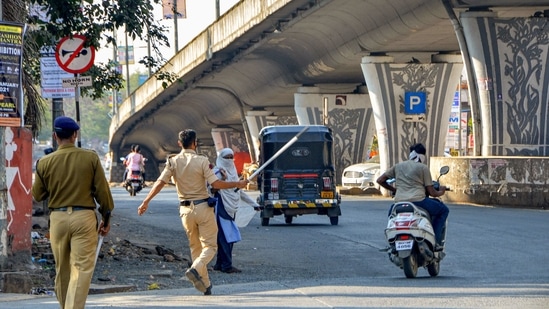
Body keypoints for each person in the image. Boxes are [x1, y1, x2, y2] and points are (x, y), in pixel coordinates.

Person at [137, 129, 248, 295]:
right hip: (203, 207)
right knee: (210, 246)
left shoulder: (173, 161)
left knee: (195, 247)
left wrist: (146, 201)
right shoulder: (202, 161)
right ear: (195, 142)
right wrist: (237, 184)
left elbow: (160, 182)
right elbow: (216, 184)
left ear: (179, 143)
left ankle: (205, 285)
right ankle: (196, 267)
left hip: (185, 211)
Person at [32, 116, 114, 309]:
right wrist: (106, 217)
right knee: (81, 268)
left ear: (55, 136)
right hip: (83, 218)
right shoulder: (90, 157)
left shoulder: (44, 162)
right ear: (75, 135)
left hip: (58, 219)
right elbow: (103, 193)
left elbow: (38, 194)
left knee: (62, 270)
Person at [376, 143, 449, 251]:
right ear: (422, 156)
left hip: (399, 203)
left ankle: (391, 242)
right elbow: (432, 192)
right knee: (443, 210)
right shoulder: (423, 168)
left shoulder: (398, 166)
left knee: (391, 216)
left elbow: (380, 180)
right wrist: (442, 191)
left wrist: (395, 190)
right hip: (419, 201)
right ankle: (435, 241)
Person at [212, 148, 260, 274]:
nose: (229, 160)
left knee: (225, 237)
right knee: (227, 237)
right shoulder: (217, 172)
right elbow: (213, 187)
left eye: (230, 157)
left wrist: (254, 204)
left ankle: (220, 263)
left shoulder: (232, 172)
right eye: (226, 157)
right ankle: (226, 265)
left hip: (231, 208)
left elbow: (238, 191)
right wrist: (228, 181)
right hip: (221, 207)